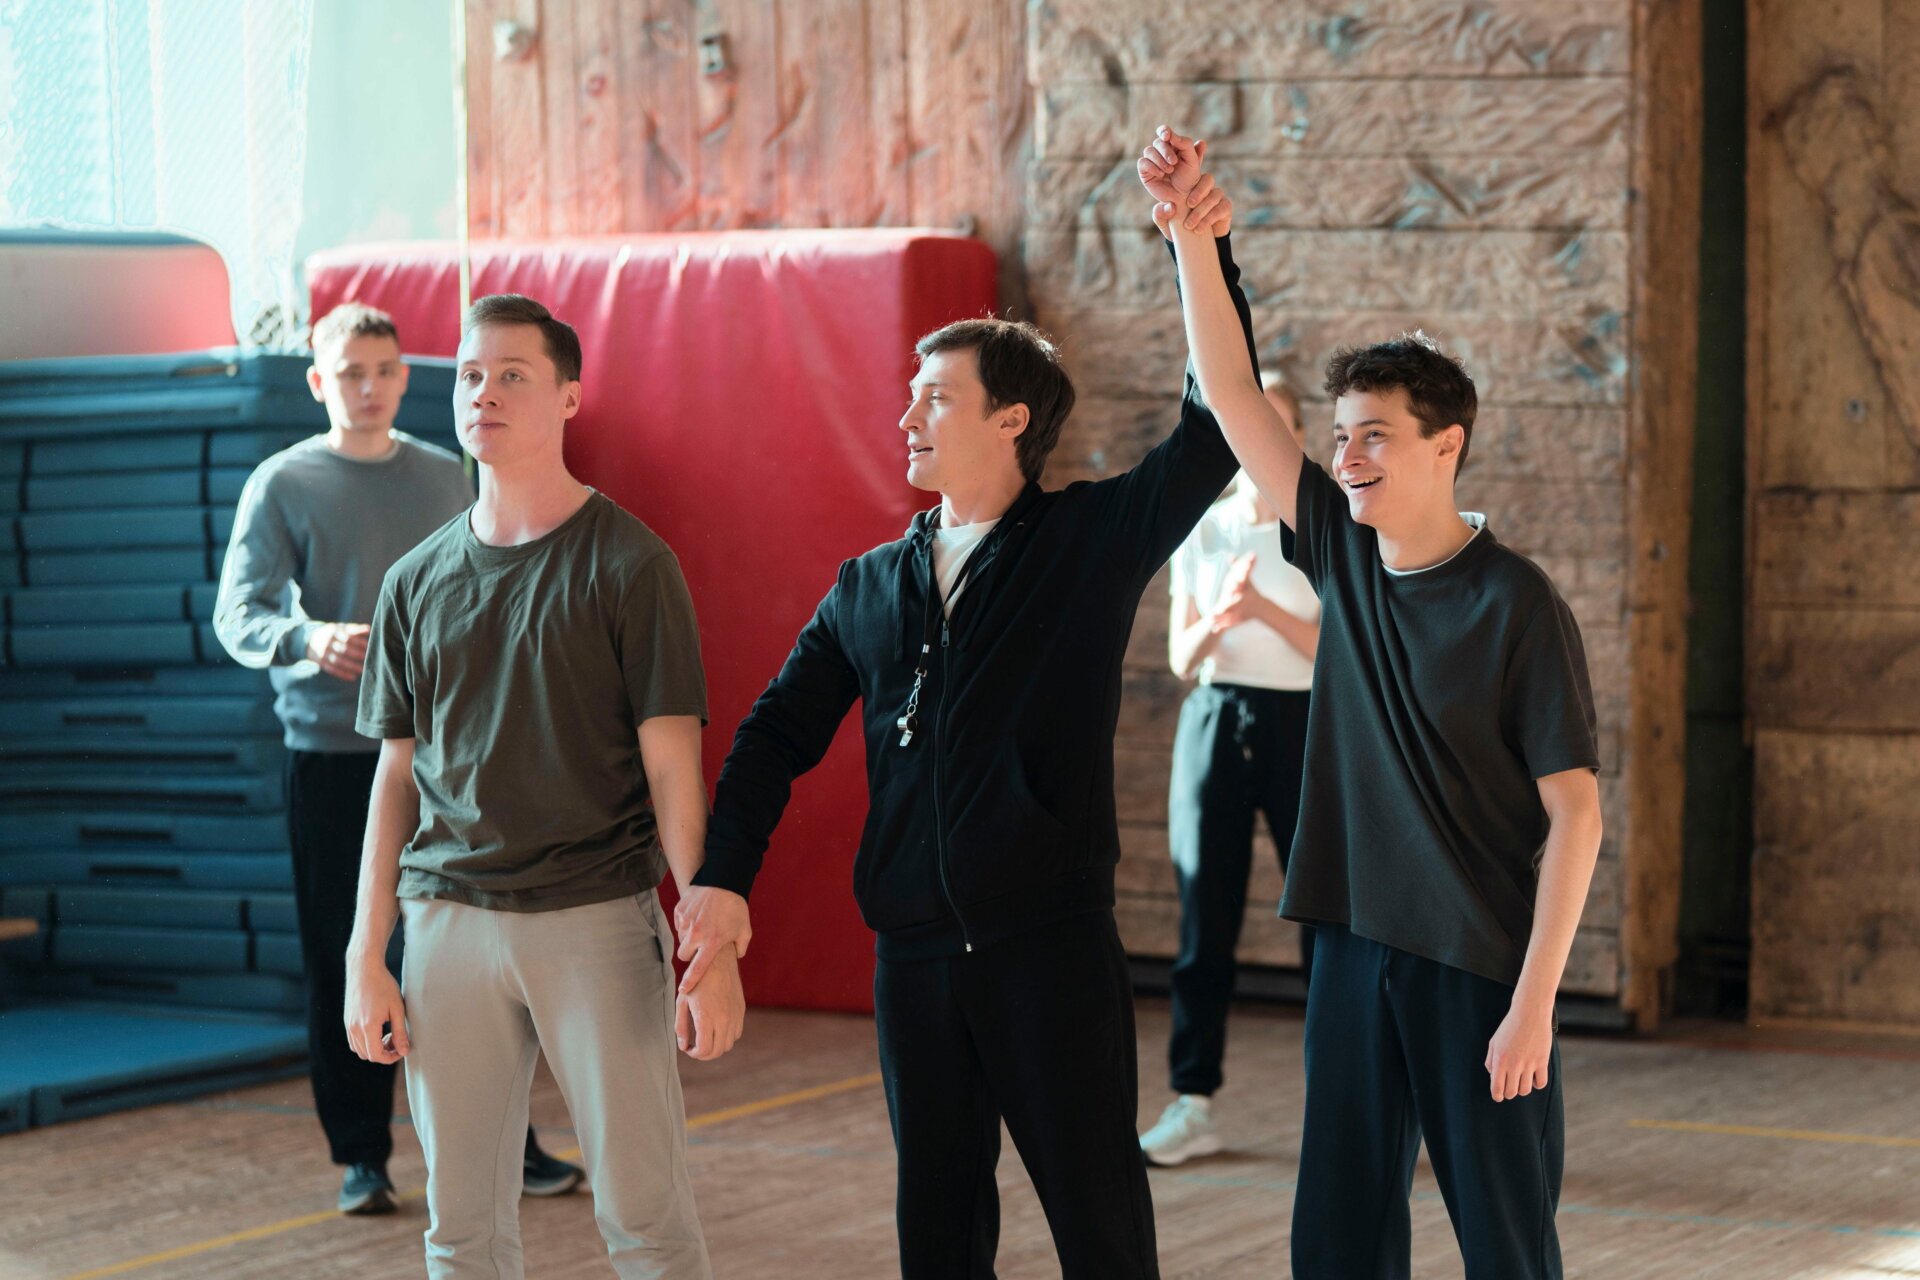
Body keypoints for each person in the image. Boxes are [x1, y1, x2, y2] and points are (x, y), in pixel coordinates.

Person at [670, 134, 1250, 1279]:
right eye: (909, 395)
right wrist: (723, 879)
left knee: (1102, 1231)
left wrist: (1201, 247)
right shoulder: (868, 586)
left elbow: (1214, 427)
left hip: (1050, 955)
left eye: (936, 397)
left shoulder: (1085, 543)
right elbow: (774, 736)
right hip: (915, 964)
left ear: (1012, 419)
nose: (908, 417)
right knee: (937, 1238)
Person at [1143, 125, 1603, 1278]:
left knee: (1506, 1240)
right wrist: (1196, 239)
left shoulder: (1517, 601)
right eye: (1341, 436)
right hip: (1352, 949)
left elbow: (1577, 814)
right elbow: (1232, 392)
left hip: (1481, 966)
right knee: (1338, 1238)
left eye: (1376, 437)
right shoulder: (1338, 552)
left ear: (1447, 447)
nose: (1348, 456)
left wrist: (1536, 1001)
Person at [345, 294, 740, 1279]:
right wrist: (365, 950)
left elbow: (674, 769)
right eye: (470, 375)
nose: (484, 393)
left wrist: (712, 941)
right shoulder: (413, 581)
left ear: (569, 396)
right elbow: (395, 778)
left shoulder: (633, 563)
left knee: (646, 1218)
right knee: (461, 1231)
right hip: (445, 923)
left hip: (596, 919)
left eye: (512, 374)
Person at [213, 301, 583, 1215]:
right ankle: (362, 1157)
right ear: (318, 383)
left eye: (385, 371)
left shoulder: (446, 475)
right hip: (335, 751)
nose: (370, 388)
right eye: (351, 374)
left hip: (452, 759)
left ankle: (511, 1144)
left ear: (405, 378)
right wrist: (307, 639)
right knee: (346, 946)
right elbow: (238, 614)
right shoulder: (281, 482)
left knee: (473, 955)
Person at [1139, 373, 1321, 1169]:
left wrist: (1262, 610)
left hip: (1304, 725)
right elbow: (1183, 658)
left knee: (1323, 919)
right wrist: (1220, 619)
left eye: (1275, 427)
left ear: (1299, 439)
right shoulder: (1203, 531)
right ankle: (1193, 1102)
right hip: (1214, 720)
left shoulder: (1321, 528)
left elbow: (1337, 652)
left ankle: (1348, 1102)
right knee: (1203, 918)